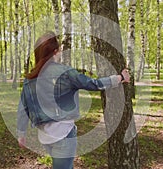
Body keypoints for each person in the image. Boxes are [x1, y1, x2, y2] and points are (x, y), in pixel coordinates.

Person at [17, 31, 130, 169]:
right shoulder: (66, 73)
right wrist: (120, 78)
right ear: (55, 52)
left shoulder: (30, 79)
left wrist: (21, 133)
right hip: (63, 134)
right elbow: (93, 84)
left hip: (45, 137)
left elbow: (23, 108)